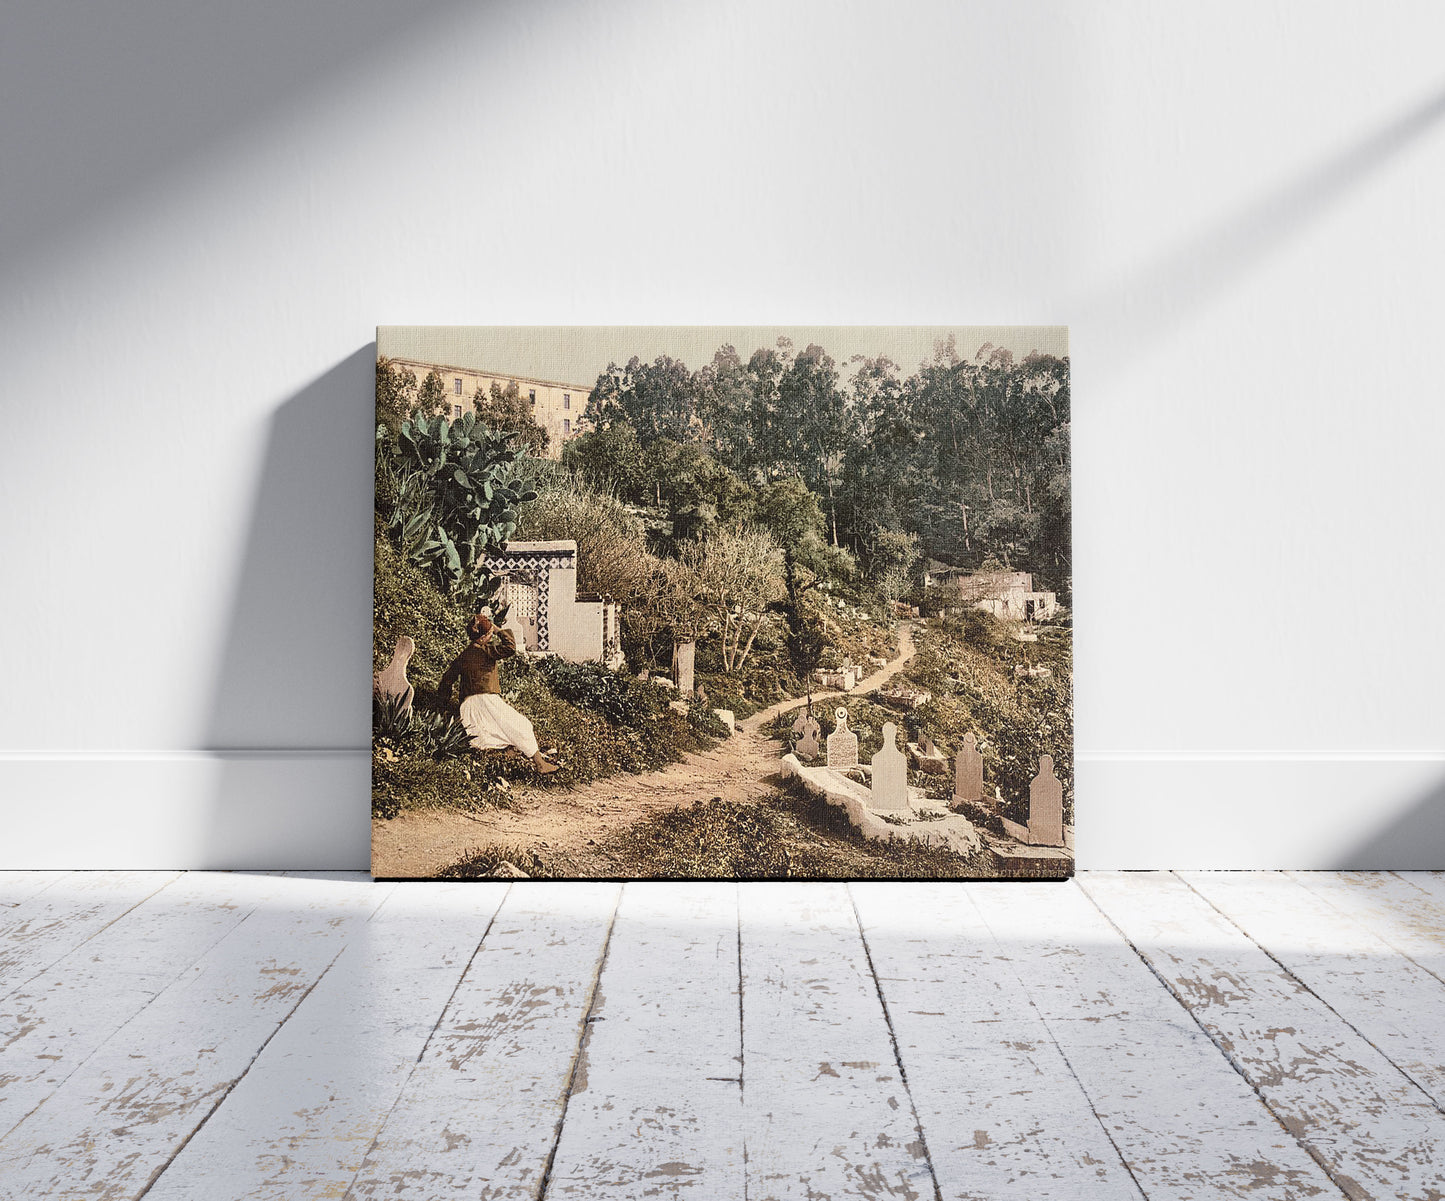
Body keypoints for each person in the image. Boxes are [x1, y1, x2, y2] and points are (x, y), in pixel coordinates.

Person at [438, 611, 559, 774]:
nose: (490, 637)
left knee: (488, 737)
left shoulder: (463, 656)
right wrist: (497, 629)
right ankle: (540, 764)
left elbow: (447, 680)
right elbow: (510, 647)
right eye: (488, 635)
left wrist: (444, 705)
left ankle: (510, 760)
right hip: (486, 702)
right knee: (521, 726)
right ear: (482, 638)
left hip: (468, 706)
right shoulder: (486, 652)